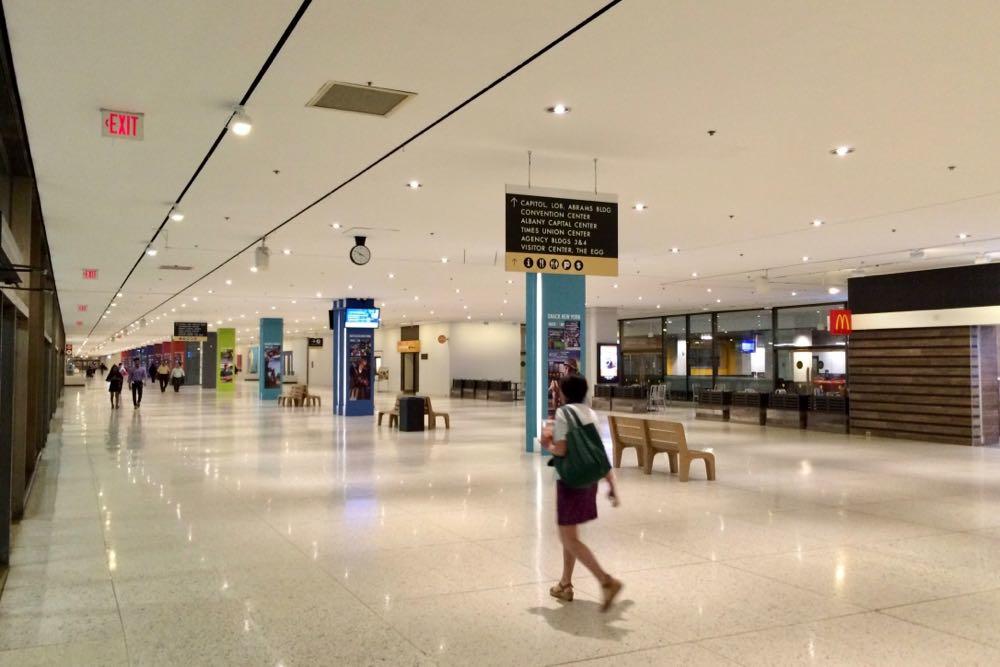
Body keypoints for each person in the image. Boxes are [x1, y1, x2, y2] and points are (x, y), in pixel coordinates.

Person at [540, 374, 622, 612]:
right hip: (589, 479)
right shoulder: (589, 412)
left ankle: (606, 581)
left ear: (563, 393)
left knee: (569, 538)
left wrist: (547, 445)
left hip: (570, 480)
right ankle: (565, 584)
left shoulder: (564, 413)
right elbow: (595, 448)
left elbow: (562, 450)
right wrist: (610, 483)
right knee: (571, 535)